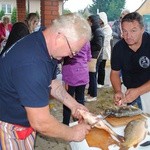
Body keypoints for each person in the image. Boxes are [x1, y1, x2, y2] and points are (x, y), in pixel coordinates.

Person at [0, 13, 92, 150]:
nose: (71, 56)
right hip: (8, 126)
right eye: (73, 52)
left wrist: (73, 104)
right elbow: (41, 122)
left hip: (22, 122)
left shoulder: (45, 45)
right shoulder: (32, 64)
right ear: (60, 37)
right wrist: (72, 133)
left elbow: (52, 83)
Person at [110, 12, 150, 112]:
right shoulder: (118, 48)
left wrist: (138, 91)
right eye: (125, 31)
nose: (128, 36)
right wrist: (118, 91)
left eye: (133, 31)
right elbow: (114, 73)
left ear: (142, 29)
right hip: (128, 91)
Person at [62, 42, 92, 125]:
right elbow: (89, 57)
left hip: (70, 74)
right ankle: (80, 121)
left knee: (67, 99)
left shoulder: (70, 40)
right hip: (82, 72)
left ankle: (66, 123)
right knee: (80, 99)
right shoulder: (86, 41)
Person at [86, 14, 104, 102]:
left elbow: (98, 46)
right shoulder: (95, 30)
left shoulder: (98, 31)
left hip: (95, 57)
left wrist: (87, 47)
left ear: (92, 21)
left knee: (92, 76)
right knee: (91, 75)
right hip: (93, 56)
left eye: (88, 21)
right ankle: (90, 92)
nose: (87, 22)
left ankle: (93, 95)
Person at [97, 12, 112, 88]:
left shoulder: (107, 29)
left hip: (103, 50)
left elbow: (105, 40)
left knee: (101, 67)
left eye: (100, 19)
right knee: (97, 66)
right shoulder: (100, 27)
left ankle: (101, 82)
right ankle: (98, 81)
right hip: (99, 50)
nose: (99, 20)